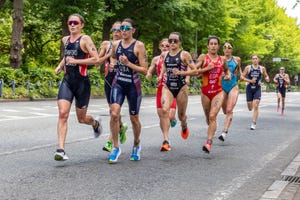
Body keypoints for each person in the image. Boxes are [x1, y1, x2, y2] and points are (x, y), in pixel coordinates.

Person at [54, 13, 102, 161]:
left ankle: (95, 123)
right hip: (67, 81)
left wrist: (76, 61)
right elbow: (66, 56)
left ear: (81, 25)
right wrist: (60, 66)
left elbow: (96, 59)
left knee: (81, 119)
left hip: (82, 83)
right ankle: (61, 150)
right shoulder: (65, 40)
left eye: (75, 22)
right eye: (70, 23)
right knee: (63, 114)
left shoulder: (85, 39)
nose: (72, 25)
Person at [108, 18, 148, 163]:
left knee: (134, 118)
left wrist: (128, 63)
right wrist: (113, 64)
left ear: (133, 30)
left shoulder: (139, 46)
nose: (123, 31)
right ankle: (115, 147)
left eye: (126, 28)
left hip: (133, 85)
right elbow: (112, 57)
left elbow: (144, 70)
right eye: (121, 28)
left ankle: (136, 144)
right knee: (114, 113)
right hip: (118, 83)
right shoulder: (116, 44)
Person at [157, 32, 196, 151]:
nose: (172, 43)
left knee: (181, 115)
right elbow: (164, 65)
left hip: (181, 88)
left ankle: (184, 125)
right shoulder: (165, 54)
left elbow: (195, 71)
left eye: (175, 41)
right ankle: (166, 140)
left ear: (180, 42)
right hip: (168, 87)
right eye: (170, 41)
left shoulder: (184, 54)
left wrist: (183, 74)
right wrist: (160, 75)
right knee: (164, 110)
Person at [196, 36, 231, 153]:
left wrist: (228, 75)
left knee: (212, 116)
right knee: (207, 116)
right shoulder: (203, 57)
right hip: (205, 92)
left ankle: (208, 143)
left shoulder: (222, 59)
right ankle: (212, 127)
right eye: (211, 44)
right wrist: (205, 69)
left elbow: (226, 70)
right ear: (207, 46)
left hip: (218, 91)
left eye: (215, 44)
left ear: (218, 46)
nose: (213, 46)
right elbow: (195, 72)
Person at [97, 21, 128, 152]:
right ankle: (121, 127)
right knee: (113, 111)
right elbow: (97, 60)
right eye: (113, 30)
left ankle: (110, 141)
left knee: (114, 112)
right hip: (109, 79)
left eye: (118, 30)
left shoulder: (127, 46)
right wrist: (109, 55)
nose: (116, 33)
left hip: (121, 80)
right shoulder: (106, 44)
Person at [146, 38, 178, 148]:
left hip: (171, 89)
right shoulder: (156, 59)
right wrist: (149, 73)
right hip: (160, 89)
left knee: (170, 116)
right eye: (163, 46)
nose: (165, 47)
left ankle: (172, 120)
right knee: (162, 115)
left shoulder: (175, 58)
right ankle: (166, 139)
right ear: (160, 47)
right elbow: (151, 68)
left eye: (167, 46)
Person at [218, 41, 243, 142]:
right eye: (225, 47)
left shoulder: (236, 59)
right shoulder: (219, 60)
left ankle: (224, 132)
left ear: (232, 49)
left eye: (229, 47)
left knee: (229, 110)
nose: (227, 49)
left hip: (233, 86)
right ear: (223, 49)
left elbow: (239, 69)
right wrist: (222, 76)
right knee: (224, 111)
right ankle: (225, 127)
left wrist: (241, 75)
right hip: (222, 87)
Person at [241, 54, 270, 130]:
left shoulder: (262, 68)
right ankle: (251, 108)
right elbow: (241, 78)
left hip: (257, 88)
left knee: (256, 105)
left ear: (258, 59)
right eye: (253, 59)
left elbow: (266, 75)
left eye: (256, 58)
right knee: (250, 108)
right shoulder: (248, 68)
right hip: (249, 88)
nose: (254, 60)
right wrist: (250, 80)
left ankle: (253, 123)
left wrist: (267, 78)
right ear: (251, 60)